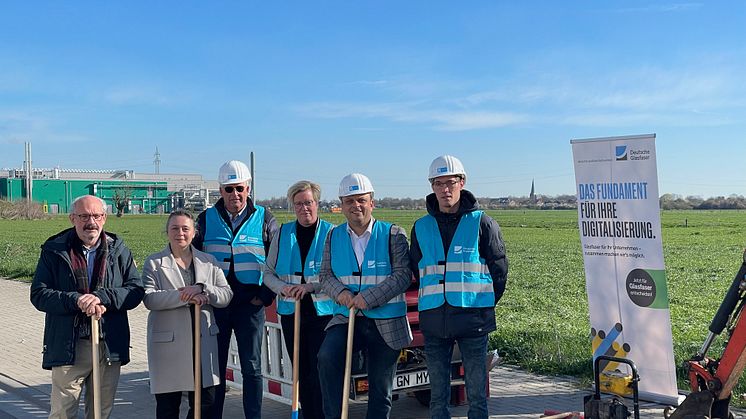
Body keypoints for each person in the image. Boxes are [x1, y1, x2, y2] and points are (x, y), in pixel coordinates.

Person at [409, 155, 508, 419]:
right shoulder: (420, 227)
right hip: (433, 319)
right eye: (438, 183)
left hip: (472, 319)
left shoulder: (482, 223)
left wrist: (482, 303)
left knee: (476, 395)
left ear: (461, 183)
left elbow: (499, 272)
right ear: (432, 186)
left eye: (450, 183)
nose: (445, 189)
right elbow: (418, 271)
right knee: (437, 397)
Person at [30, 195, 144, 419]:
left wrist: (102, 298)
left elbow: (135, 291)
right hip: (69, 344)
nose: (91, 222)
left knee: (100, 412)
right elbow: (39, 294)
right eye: (84, 216)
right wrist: (76, 300)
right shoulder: (55, 250)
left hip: (108, 343)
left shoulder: (119, 249)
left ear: (105, 218)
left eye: (96, 216)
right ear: (72, 218)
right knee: (62, 411)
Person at [317, 173, 412, 419]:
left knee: (380, 390)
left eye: (361, 200)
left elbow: (402, 275)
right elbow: (325, 275)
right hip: (346, 318)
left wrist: (368, 298)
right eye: (349, 201)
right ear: (341, 205)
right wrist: (343, 294)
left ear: (372, 202)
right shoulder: (333, 236)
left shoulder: (393, 234)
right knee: (326, 358)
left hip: (386, 322)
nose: (355, 206)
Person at [192, 160, 278, 418]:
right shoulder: (205, 219)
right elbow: (191, 256)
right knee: (214, 367)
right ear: (220, 190)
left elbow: (278, 258)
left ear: (248, 188)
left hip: (250, 305)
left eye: (239, 188)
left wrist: (264, 296)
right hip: (216, 305)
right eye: (228, 189)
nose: (234, 195)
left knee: (252, 367)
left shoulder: (265, 218)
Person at [142, 210, 234, 419]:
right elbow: (149, 298)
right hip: (169, 346)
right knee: (168, 408)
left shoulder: (208, 261)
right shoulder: (154, 263)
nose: (180, 233)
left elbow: (226, 294)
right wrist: (185, 296)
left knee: (205, 404)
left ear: (194, 232)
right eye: (174, 228)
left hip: (203, 343)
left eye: (185, 228)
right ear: (167, 231)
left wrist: (204, 289)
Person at [263, 181, 335, 419]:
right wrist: (283, 288)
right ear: (292, 206)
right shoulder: (283, 233)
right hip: (291, 313)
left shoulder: (332, 233)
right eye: (299, 204)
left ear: (317, 204)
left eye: (308, 202)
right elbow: (268, 273)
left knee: (321, 371)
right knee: (301, 372)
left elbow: (337, 276)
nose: (304, 208)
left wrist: (310, 287)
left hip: (323, 314)